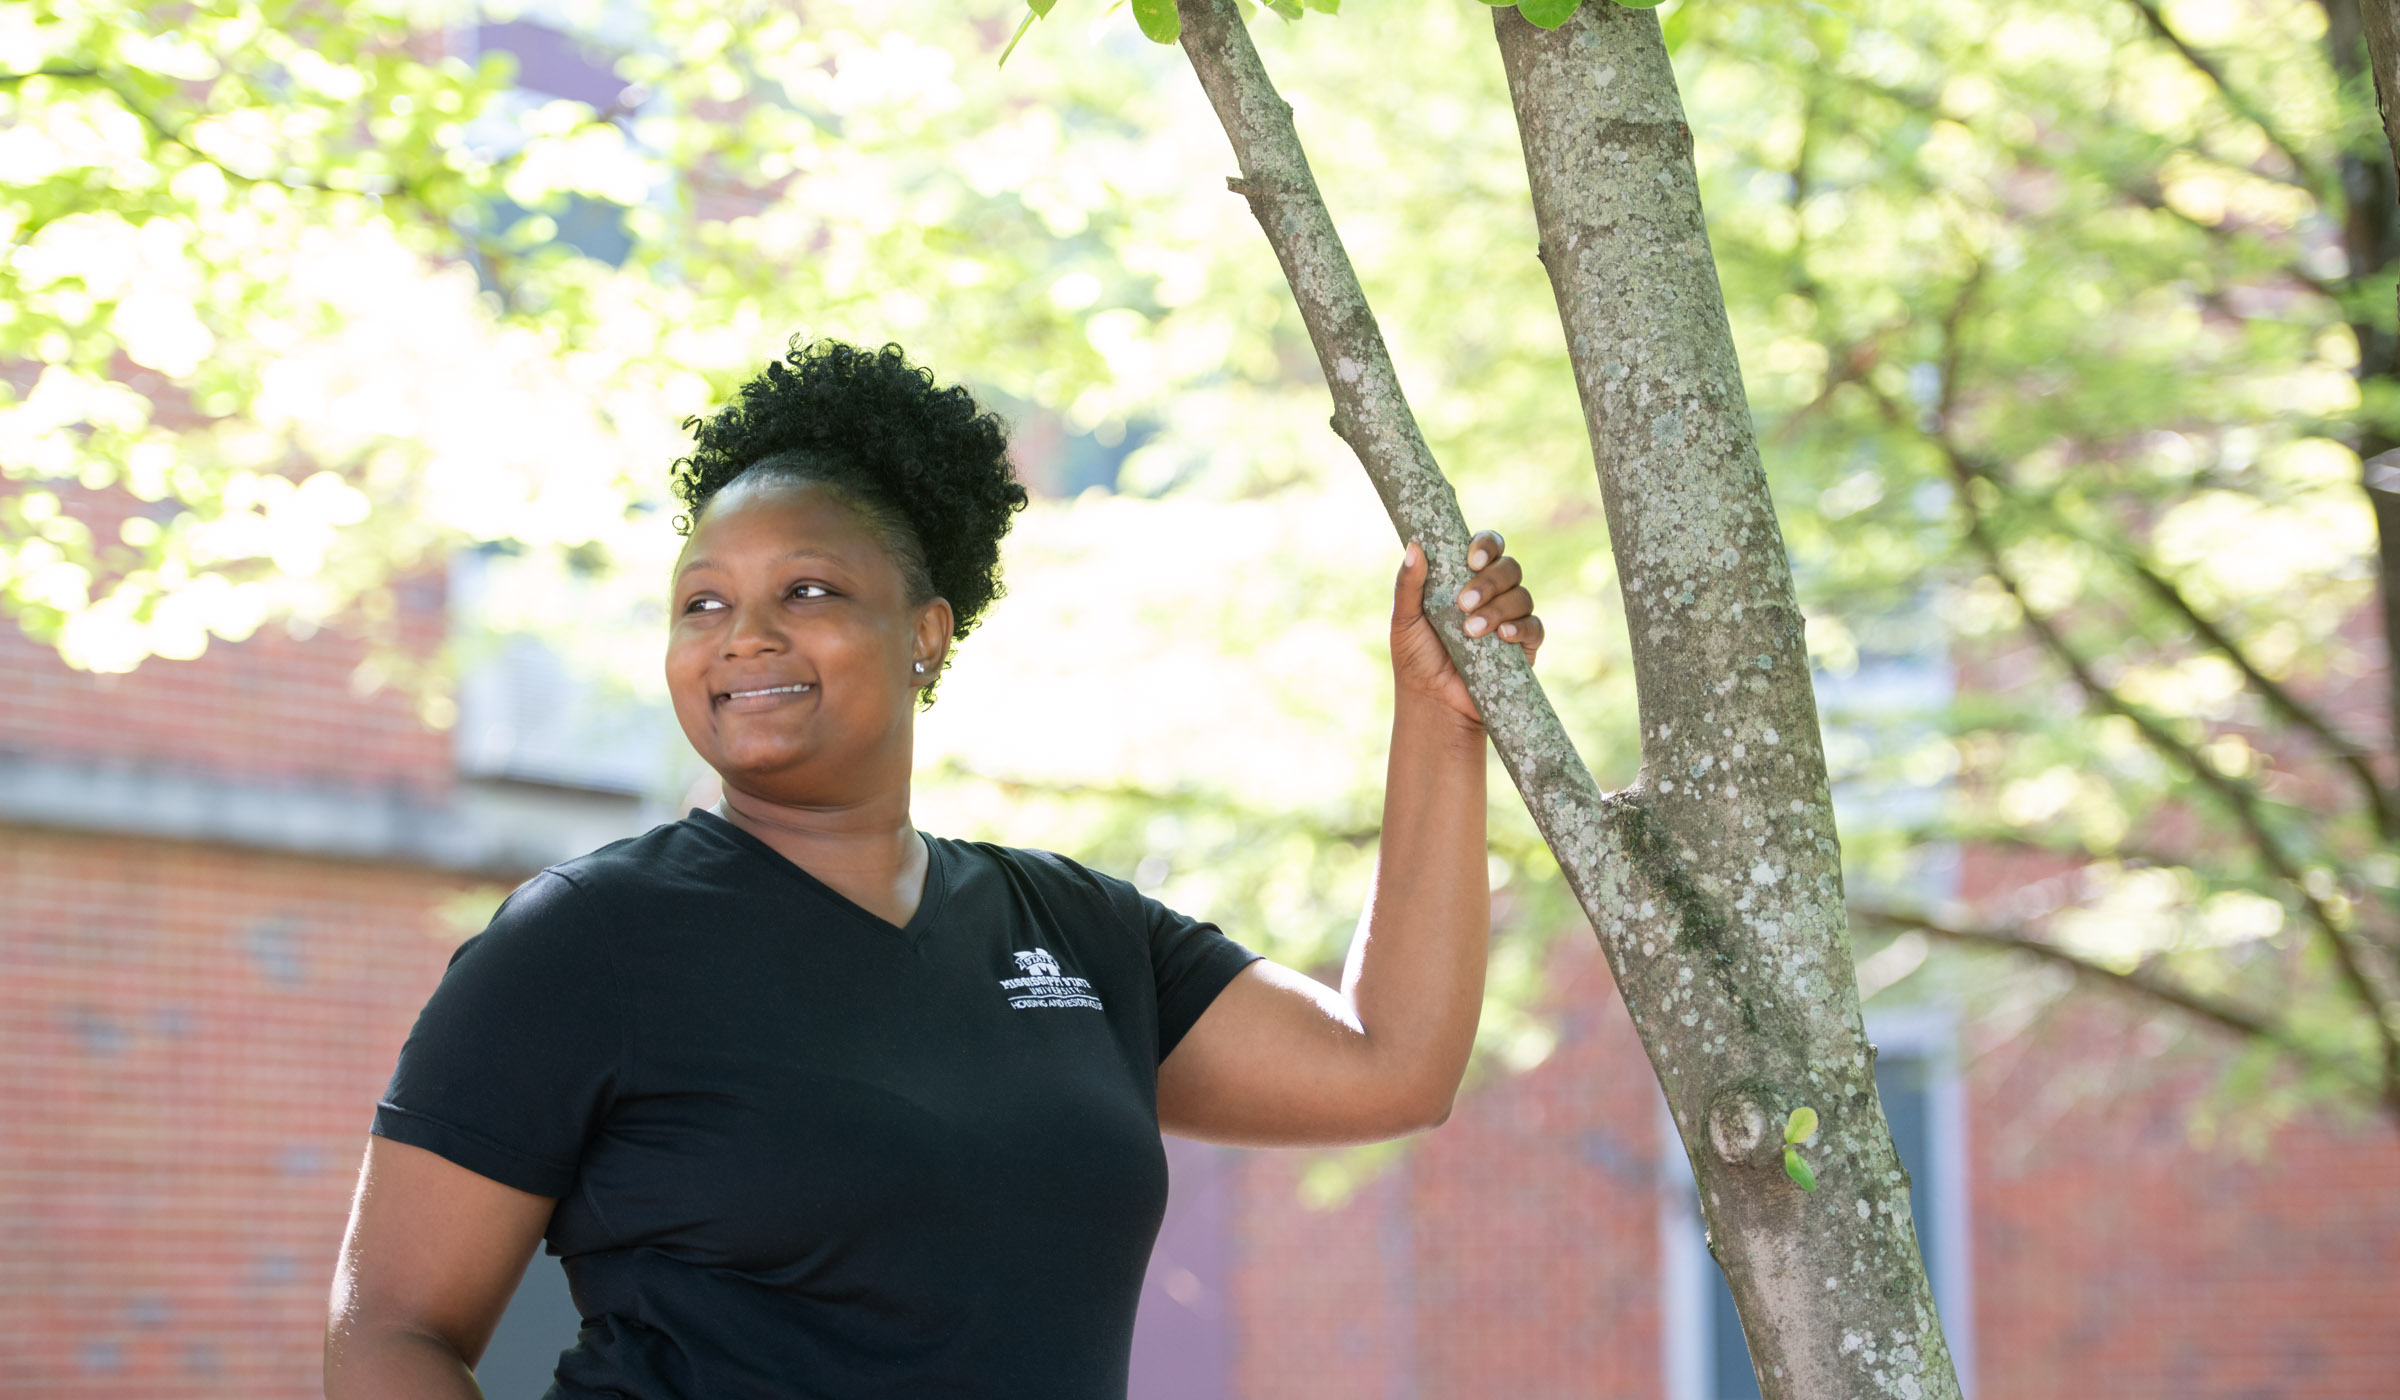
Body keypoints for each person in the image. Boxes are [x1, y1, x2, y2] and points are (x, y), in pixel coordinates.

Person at [324, 339, 1545, 1400]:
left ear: (925, 631)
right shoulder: (584, 940)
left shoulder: (1075, 932)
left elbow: (1391, 1065)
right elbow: (390, 1330)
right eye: (702, 603)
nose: (743, 634)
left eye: (807, 589)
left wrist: (1439, 716)